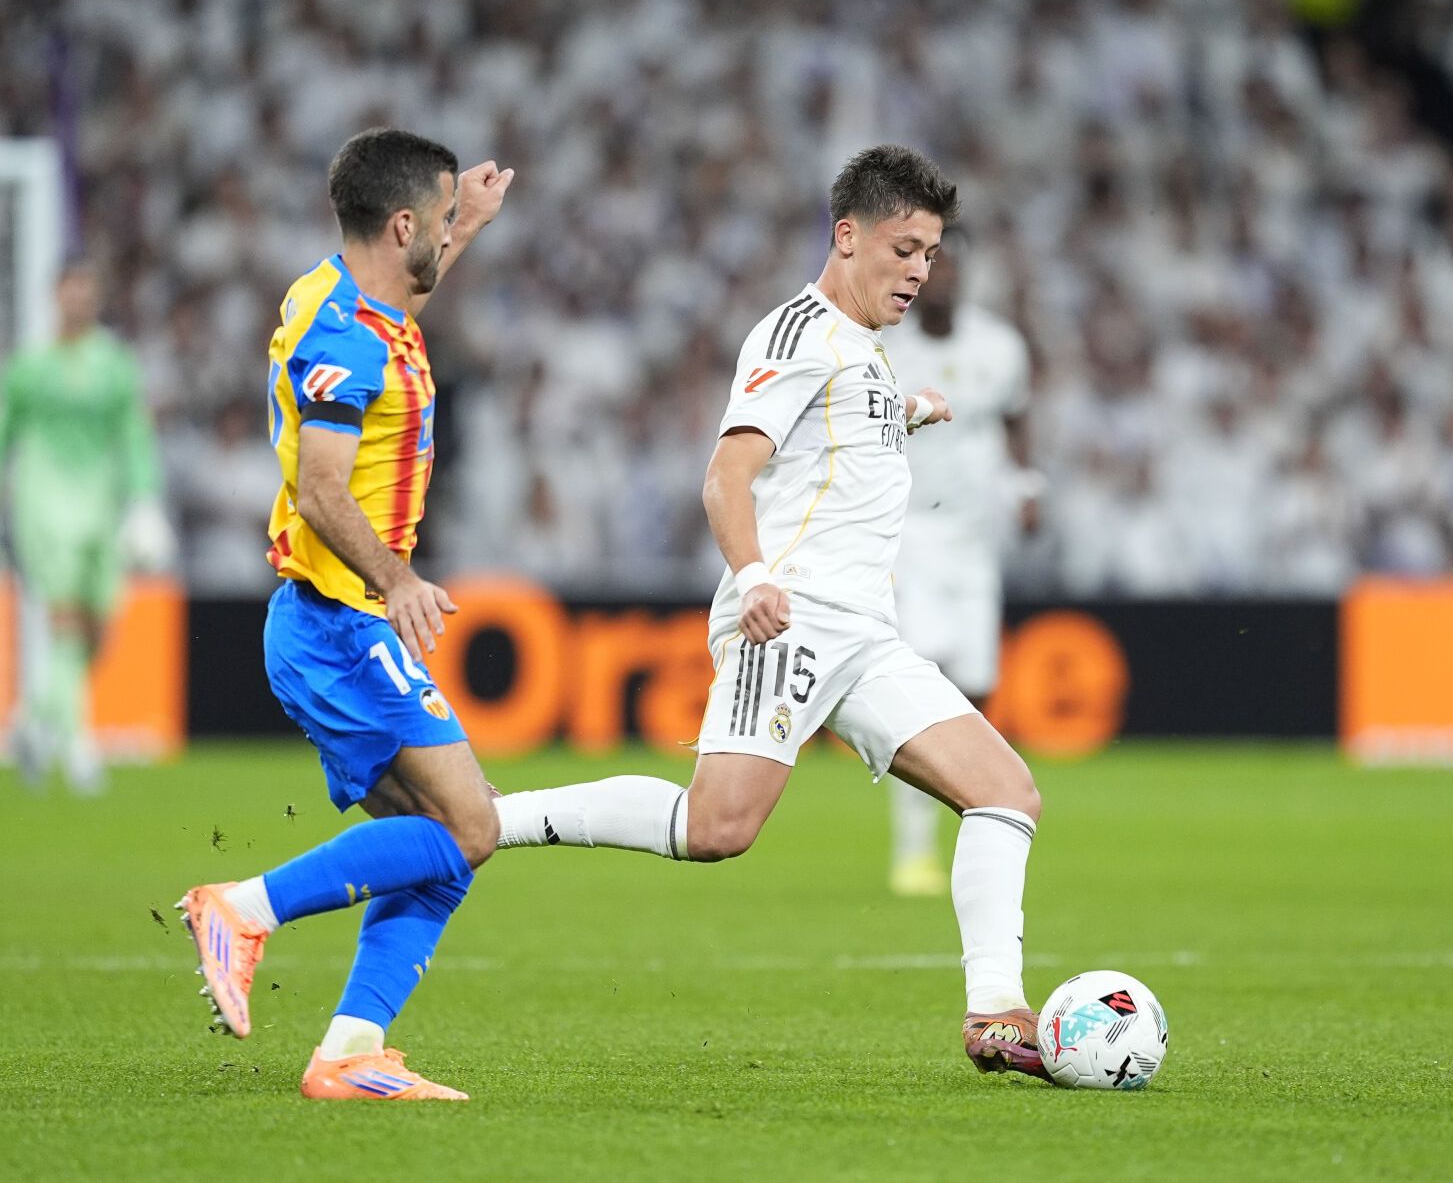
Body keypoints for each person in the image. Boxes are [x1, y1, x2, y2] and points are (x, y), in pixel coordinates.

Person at [491, 145, 1053, 1080]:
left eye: (932, 254)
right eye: (905, 248)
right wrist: (753, 577)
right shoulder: (795, 334)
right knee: (716, 828)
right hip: (789, 619)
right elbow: (727, 475)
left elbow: (834, 435)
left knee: (1006, 792)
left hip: (867, 634)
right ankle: (492, 818)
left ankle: (996, 1011)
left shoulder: (864, 351)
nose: (920, 270)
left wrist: (905, 409)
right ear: (848, 235)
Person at [178, 128, 514, 1100]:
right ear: (403, 222)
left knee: (437, 850)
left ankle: (348, 1053)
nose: (448, 236)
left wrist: (473, 225)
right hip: (341, 620)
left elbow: (411, 283)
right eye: (443, 219)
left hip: (331, 620)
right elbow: (324, 488)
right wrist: (398, 580)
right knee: (471, 826)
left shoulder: (345, 291)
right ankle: (240, 906)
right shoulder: (344, 338)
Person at [881, 228, 1036, 896]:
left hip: (976, 543)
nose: (936, 278)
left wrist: (1029, 488)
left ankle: (970, 822)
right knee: (923, 683)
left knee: (973, 689)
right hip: (907, 536)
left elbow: (1015, 420)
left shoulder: (1000, 348)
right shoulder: (887, 344)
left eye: (946, 266)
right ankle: (913, 847)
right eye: (925, 267)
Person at [0, 262, 169, 793]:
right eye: (70, 289)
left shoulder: (114, 365)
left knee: (100, 629)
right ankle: (76, 746)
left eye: (87, 290)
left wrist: (145, 501)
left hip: (101, 506)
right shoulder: (28, 366)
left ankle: (31, 724)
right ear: (56, 294)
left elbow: (135, 434)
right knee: (66, 619)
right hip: (44, 504)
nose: (79, 299)